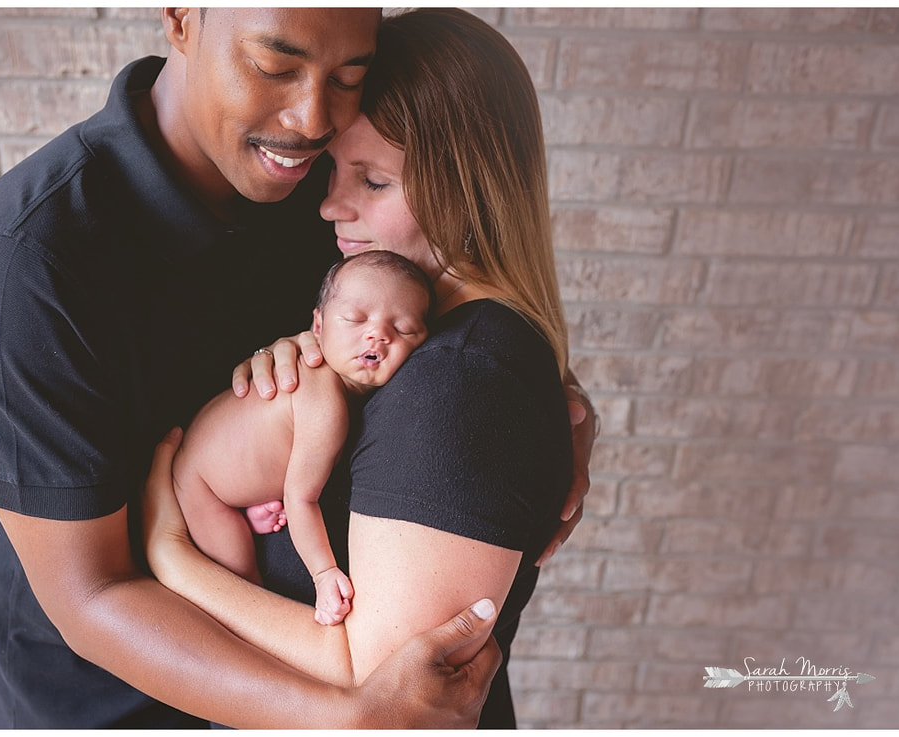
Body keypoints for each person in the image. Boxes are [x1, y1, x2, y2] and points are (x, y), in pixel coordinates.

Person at [0, 6, 595, 728]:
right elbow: (90, 597)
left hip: (301, 635)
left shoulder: (314, 178)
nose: (314, 115)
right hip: (108, 699)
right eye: (275, 66)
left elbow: (448, 293)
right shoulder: (23, 267)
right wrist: (345, 715)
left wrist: (541, 399)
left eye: (349, 74)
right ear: (182, 18)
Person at [143, 8, 585, 728]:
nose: (328, 205)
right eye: (334, 170)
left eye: (373, 181)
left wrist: (171, 560)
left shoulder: (460, 382)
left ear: (468, 192)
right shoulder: (415, 328)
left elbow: (373, 682)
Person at [174, 250, 432, 625]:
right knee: (243, 582)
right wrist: (324, 574)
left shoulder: (338, 387)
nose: (378, 333)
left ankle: (256, 500)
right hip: (201, 487)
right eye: (355, 319)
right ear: (318, 326)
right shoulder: (324, 404)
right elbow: (302, 498)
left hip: (217, 447)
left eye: (404, 328)